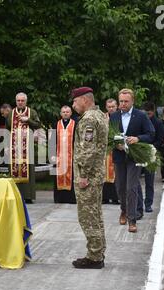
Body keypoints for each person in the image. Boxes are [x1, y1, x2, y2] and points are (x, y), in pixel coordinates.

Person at [70, 87, 108, 269]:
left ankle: (94, 256)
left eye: (75, 101)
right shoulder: (100, 115)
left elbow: (87, 150)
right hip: (96, 175)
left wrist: (83, 175)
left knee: (88, 217)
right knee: (96, 215)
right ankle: (97, 252)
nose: (73, 105)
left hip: (88, 177)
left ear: (84, 100)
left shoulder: (89, 119)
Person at [110, 89, 155, 233]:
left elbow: (151, 134)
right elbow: (110, 136)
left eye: (126, 101)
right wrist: (116, 144)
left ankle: (132, 219)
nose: (122, 104)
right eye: (121, 101)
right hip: (119, 156)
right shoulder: (114, 116)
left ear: (132, 101)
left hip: (135, 157)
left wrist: (138, 138)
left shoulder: (141, 115)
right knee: (120, 187)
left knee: (132, 187)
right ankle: (124, 210)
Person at [6, 92, 41, 203]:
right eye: (18, 100)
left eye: (22, 100)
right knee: (14, 170)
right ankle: (15, 195)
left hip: (27, 147)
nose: (20, 102)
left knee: (28, 170)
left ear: (26, 101)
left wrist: (28, 120)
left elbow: (38, 124)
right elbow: (7, 129)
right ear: (16, 101)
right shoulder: (11, 113)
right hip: (14, 148)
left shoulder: (32, 112)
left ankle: (28, 196)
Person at [137, 102, 164, 214]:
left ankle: (148, 204)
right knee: (136, 180)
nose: (146, 116)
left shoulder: (158, 123)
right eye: (144, 113)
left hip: (152, 154)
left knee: (149, 181)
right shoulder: (139, 121)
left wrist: (151, 148)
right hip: (138, 153)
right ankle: (138, 203)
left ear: (153, 112)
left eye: (148, 113)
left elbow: (160, 139)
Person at [53, 105, 77, 204]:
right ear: (61, 113)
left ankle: (71, 199)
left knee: (71, 175)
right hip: (59, 155)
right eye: (63, 112)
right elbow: (52, 139)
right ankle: (59, 198)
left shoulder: (75, 124)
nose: (65, 113)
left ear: (71, 113)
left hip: (71, 155)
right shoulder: (56, 124)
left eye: (67, 112)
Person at [102, 98, 119, 204]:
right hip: (105, 149)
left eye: (113, 106)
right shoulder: (103, 117)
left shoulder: (120, 117)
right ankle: (105, 197)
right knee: (104, 173)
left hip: (116, 148)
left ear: (116, 106)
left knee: (116, 173)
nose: (111, 109)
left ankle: (116, 197)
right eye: (109, 107)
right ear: (106, 107)